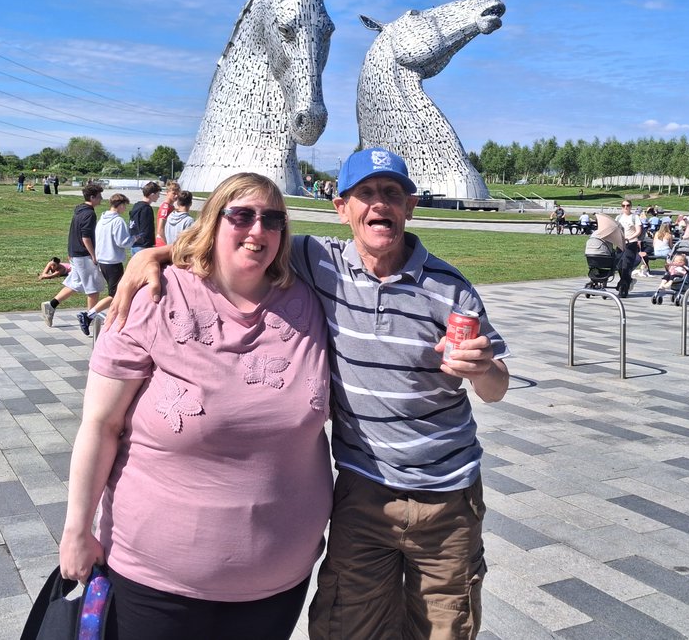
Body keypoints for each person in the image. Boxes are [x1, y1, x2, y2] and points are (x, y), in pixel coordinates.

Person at [109, 148, 510, 640]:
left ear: (410, 206)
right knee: (344, 626)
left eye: (391, 193)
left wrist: (484, 368)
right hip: (362, 490)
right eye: (365, 193)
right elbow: (241, 244)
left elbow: (496, 390)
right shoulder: (320, 261)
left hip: (447, 497)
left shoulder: (451, 289)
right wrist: (153, 256)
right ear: (342, 208)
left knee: (444, 627)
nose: (378, 204)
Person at [59, 173, 331, 640]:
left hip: (277, 583)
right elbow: (100, 426)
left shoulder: (309, 297)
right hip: (158, 581)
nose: (257, 230)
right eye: (241, 215)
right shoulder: (154, 298)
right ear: (212, 222)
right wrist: (76, 529)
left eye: (273, 219)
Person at [41, 183, 105, 328]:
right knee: (93, 289)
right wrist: (93, 256)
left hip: (75, 254)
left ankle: (51, 305)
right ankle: (90, 320)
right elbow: (86, 238)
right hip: (83, 256)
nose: (101, 199)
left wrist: (70, 253)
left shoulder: (79, 210)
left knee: (75, 283)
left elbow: (74, 233)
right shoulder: (89, 213)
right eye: (99, 196)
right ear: (92, 197)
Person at [77, 193, 133, 339]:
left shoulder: (102, 219)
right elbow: (123, 242)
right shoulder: (118, 221)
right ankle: (88, 315)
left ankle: (105, 318)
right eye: (124, 205)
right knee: (115, 294)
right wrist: (135, 238)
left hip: (103, 260)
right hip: (113, 261)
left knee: (115, 293)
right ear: (120, 205)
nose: (124, 208)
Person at [128, 182, 161, 255]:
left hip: (134, 243)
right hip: (143, 246)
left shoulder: (136, 206)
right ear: (152, 195)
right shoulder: (146, 209)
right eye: (158, 194)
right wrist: (149, 245)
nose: (158, 196)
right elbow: (146, 229)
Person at [616, 199, 645, 277]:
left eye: (627, 205)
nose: (626, 207)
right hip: (620, 243)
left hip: (631, 243)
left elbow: (638, 231)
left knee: (626, 263)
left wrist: (628, 238)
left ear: (631, 206)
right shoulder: (618, 217)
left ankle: (625, 283)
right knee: (618, 264)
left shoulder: (635, 217)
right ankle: (625, 280)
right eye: (623, 206)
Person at [155, 180, 180, 246]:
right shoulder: (165, 207)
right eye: (174, 193)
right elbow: (160, 229)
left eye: (178, 193)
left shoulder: (171, 207)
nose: (176, 196)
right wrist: (166, 243)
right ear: (167, 193)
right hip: (162, 243)